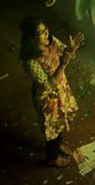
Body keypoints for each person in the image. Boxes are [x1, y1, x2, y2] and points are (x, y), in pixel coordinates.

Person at [20, 16, 85, 167]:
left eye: (45, 29)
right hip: (47, 98)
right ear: (30, 39)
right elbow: (48, 85)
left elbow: (65, 54)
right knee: (51, 130)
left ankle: (59, 144)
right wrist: (63, 64)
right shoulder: (30, 62)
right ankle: (52, 157)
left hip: (60, 89)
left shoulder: (52, 41)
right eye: (40, 33)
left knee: (60, 120)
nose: (46, 33)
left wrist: (72, 49)